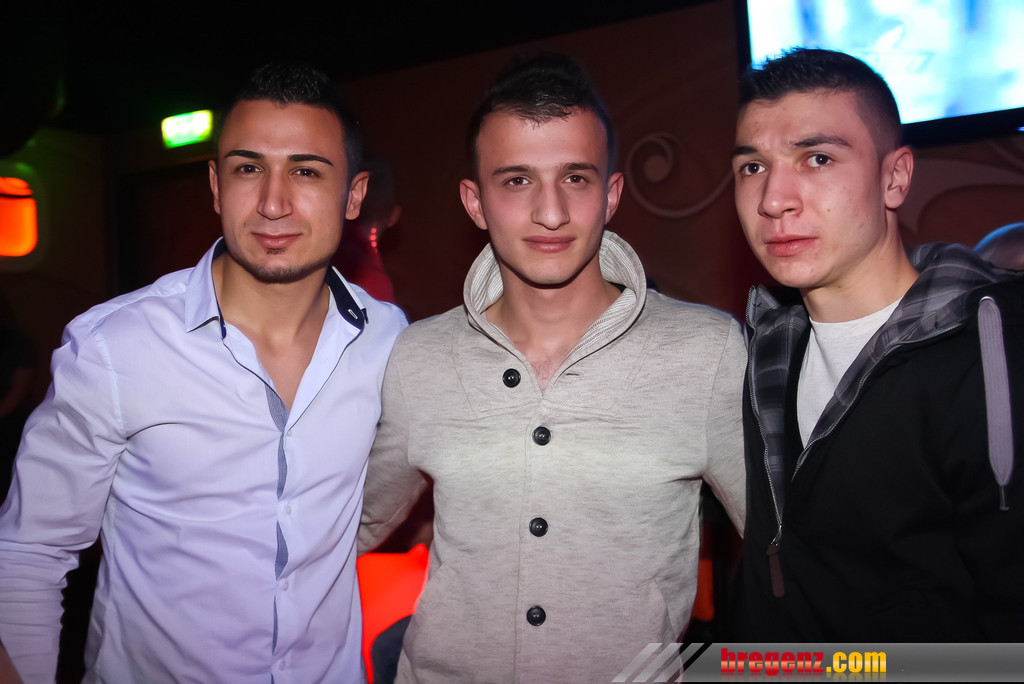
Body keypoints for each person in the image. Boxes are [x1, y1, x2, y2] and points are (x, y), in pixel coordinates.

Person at [0, 62, 407, 682]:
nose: (273, 203)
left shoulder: (387, 339)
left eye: (306, 171)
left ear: (354, 195)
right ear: (217, 186)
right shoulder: (116, 347)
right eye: (248, 169)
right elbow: (29, 553)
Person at [359, 52, 746, 682]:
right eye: (516, 180)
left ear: (611, 195)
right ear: (475, 202)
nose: (550, 212)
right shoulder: (419, 357)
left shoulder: (706, 353)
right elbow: (352, 524)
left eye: (575, 178)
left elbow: (788, 549)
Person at [730, 47, 1024, 640]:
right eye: (753, 167)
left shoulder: (996, 351)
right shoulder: (763, 348)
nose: (773, 199)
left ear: (895, 177)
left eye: (817, 158)